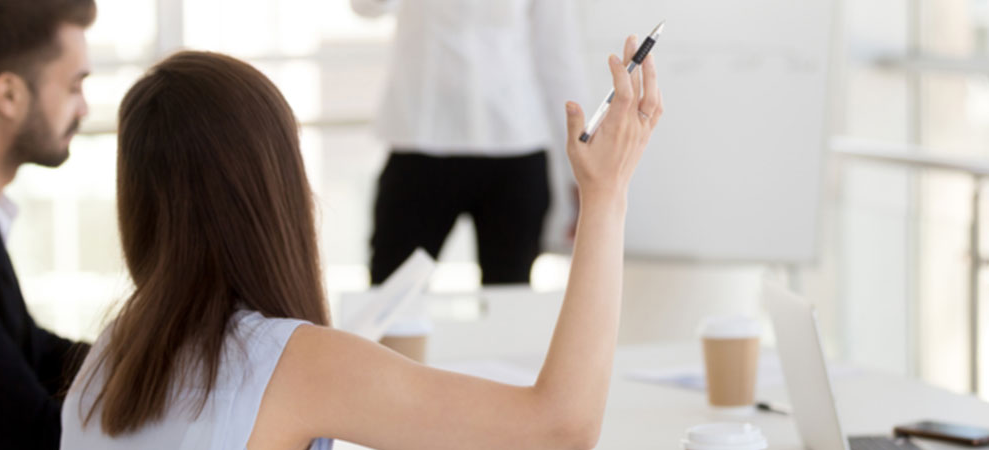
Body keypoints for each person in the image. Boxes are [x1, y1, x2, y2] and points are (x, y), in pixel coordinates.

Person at [60, 36, 661, 448]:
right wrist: (605, 196)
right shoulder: (289, 360)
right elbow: (561, 430)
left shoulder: (106, 364)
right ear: (278, 191)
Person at [351, 0, 588, 286]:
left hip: (514, 145)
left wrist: (580, 172)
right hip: (419, 145)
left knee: (509, 299)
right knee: (391, 295)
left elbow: (558, 57)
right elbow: (365, 7)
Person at [0, 0, 96, 448]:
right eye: (74, 86)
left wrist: (157, 364)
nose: (84, 108)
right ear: (8, 95)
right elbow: (35, 436)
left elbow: (33, 350)